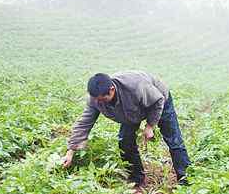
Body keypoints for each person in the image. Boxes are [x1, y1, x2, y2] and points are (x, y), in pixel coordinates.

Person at [62, 71, 191, 187]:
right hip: (130, 111)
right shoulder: (96, 99)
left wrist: (150, 125)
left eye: (103, 100)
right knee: (124, 141)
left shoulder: (136, 87)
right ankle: (136, 178)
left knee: (173, 139)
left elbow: (157, 101)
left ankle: (185, 178)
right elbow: (84, 123)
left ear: (112, 89)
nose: (99, 103)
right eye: (97, 100)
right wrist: (71, 150)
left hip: (158, 100)